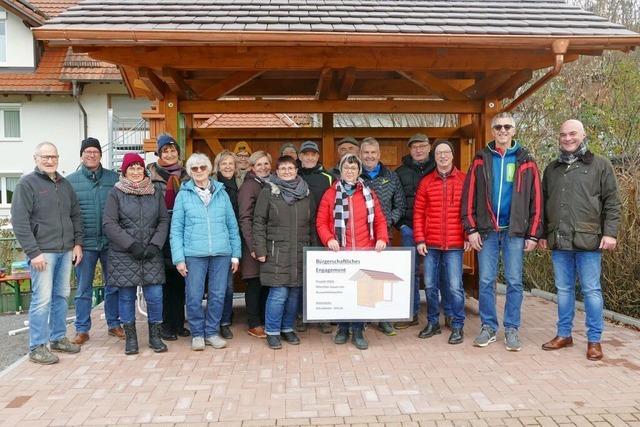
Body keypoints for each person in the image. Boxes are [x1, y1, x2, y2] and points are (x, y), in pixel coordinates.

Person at [461, 112, 543, 351]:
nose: (503, 130)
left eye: (507, 126)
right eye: (498, 127)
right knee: (486, 281)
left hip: (514, 232)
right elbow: (469, 196)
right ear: (493, 131)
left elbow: (536, 199)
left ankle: (511, 329)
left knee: (515, 282)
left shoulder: (526, 160)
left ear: (514, 130)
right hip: (487, 231)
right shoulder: (481, 158)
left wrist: (534, 233)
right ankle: (488, 327)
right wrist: (471, 229)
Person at [539, 120, 620, 361]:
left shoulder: (601, 165)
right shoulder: (551, 169)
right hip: (559, 240)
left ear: (583, 134)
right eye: (563, 134)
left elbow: (612, 202)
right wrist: (543, 234)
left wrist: (611, 232)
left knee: (591, 291)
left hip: (589, 241)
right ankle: (564, 334)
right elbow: (544, 204)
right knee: (563, 290)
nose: (567, 138)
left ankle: (594, 340)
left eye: (572, 133)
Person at [11, 142, 83, 364]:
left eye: (53, 156)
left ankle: (58, 337)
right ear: (36, 158)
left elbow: (75, 215)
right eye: (45, 157)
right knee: (41, 300)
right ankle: (37, 346)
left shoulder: (64, 185)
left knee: (61, 296)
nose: (50, 160)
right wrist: (33, 253)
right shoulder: (27, 184)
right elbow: (20, 222)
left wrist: (77, 243)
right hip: (43, 253)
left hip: (65, 251)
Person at [316, 154, 389, 350]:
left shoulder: (368, 193)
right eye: (347, 168)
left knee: (361, 293)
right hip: (340, 253)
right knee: (343, 293)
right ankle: (342, 328)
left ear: (359, 171)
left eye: (354, 168)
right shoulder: (331, 194)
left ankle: (357, 330)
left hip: (364, 251)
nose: (350, 172)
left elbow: (380, 219)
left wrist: (382, 238)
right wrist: (329, 239)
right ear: (341, 170)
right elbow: (321, 222)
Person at [170, 153, 242, 351]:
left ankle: (211, 332)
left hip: (221, 253)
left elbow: (232, 225)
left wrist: (235, 254)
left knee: (218, 295)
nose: (199, 171)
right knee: (193, 295)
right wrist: (179, 258)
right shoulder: (183, 195)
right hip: (194, 254)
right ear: (190, 172)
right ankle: (197, 333)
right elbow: (175, 229)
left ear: (209, 169)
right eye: (195, 168)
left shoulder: (221, 192)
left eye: (203, 167)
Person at [103, 153, 169, 355]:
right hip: (125, 254)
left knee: (155, 296)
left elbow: (163, 220)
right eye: (131, 168)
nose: (135, 171)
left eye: (139, 167)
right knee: (126, 297)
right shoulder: (116, 193)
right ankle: (130, 338)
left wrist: (155, 244)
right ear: (124, 171)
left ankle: (155, 336)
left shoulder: (155, 191)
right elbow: (109, 224)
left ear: (144, 169)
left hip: (151, 252)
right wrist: (131, 245)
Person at [253, 156, 315, 349]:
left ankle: (287, 328)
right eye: (283, 168)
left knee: (294, 293)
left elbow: (311, 223)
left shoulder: (305, 192)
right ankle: (272, 331)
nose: (287, 171)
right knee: (279, 293)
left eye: (291, 168)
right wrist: (260, 249)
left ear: (297, 170)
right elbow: (258, 222)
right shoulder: (269, 192)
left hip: (299, 250)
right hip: (276, 251)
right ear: (277, 172)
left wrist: (313, 251)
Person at [67, 137, 121, 345]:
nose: (91, 155)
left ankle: (114, 324)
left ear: (100, 154)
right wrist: (75, 243)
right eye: (87, 152)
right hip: (84, 244)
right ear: (81, 155)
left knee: (114, 285)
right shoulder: (70, 182)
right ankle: (82, 329)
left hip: (110, 243)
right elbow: (68, 215)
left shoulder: (113, 179)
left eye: (95, 151)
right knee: (83, 289)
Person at [413, 140, 468, 344]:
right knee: (429, 285)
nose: (443, 156)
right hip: (430, 243)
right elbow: (418, 213)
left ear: (452, 156)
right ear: (434, 157)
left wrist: (467, 235)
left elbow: (469, 211)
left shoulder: (464, 180)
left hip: (455, 243)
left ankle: (457, 325)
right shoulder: (426, 182)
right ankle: (433, 322)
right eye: (439, 153)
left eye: (446, 152)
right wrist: (419, 238)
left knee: (455, 286)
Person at [359, 137, 406, 336]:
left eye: (373, 153)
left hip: (382, 236)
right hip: (359, 236)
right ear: (360, 155)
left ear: (379, 154)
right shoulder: (353, 175)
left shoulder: (391, 176)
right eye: (366, 153)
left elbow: (400, 205)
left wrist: (387, 222)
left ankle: (384, 318)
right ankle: (360, 318)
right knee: (361, 276)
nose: (369, 156)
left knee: (381, 276)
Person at [147, 134, 190, 341]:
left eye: (173, 150)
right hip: (161, 234)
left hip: (183, 233)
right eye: (166, 151)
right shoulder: (151, 177)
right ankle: (166, 325)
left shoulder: (187, 176)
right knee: (164, 281)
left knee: (180, 280)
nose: (170, 154)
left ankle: (178, 322)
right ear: (159, 153)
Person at [394, 133, 437, 329]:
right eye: (414, 147)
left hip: (435, 229)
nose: (418, 150)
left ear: (429, 147)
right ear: (409, 150)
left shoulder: (439, 169)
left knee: (435, 271)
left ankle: (438, 316)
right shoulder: (400, 172)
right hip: (410, 228)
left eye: (422, 146)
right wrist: (402, 225)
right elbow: (396, 202)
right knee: (410, 272)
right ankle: (411, 313)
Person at [296, 140, 333, 334]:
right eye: (305, 154)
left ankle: (323, 316)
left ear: (318, 157)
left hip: (321, 233)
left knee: (321, 276)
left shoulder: (328, 177)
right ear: (300, 157)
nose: (309, 157)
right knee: (301, 275)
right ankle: (302, 315)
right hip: (299, 233)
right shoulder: (294, 175)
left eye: (313, 154)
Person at [238, 151, 272, 338]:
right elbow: (245, 218)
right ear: (252, 167)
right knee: (255, 283)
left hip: (267, 243)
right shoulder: (249, 186)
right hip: (254, 244)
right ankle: (254, 323)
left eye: (266, 163)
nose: (263, 167)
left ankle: (264, 321)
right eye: (259, 164)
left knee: (265, 283)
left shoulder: (269, 184)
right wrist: (253, 246)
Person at [213, 150, 244, 339]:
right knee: (212, 286)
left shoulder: (241, 185)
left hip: (233, 238)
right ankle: (212, 320)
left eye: (230, 163)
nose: (227, 166)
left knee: (227, 285)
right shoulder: (211, 185)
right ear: (217, 166)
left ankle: (224, 321)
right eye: (223, 163)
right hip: (214, 238)